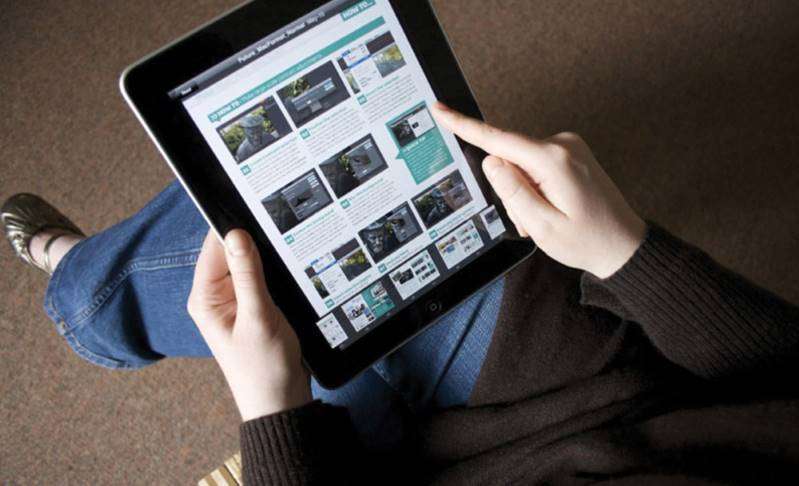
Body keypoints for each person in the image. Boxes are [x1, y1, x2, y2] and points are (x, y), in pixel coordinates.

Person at [3, 102, 798, 484]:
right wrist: (629, 253)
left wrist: (271, 412)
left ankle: (81, 292)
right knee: (423, 169)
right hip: (604, 382)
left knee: (263, 255)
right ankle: (90, 282)